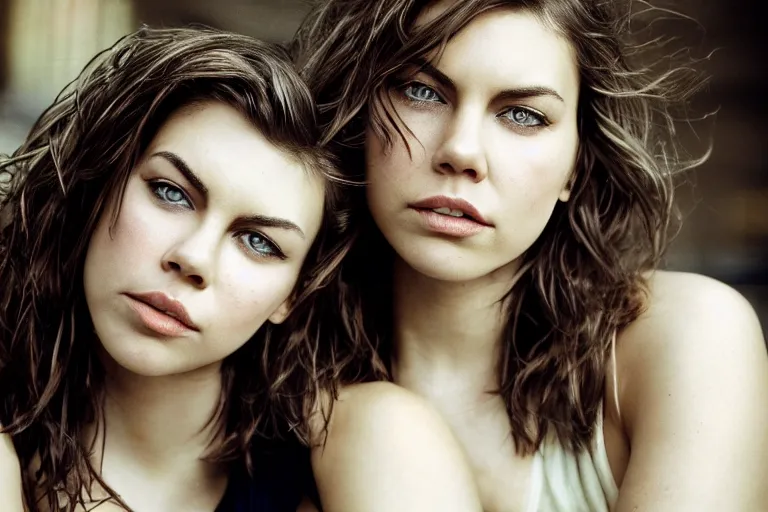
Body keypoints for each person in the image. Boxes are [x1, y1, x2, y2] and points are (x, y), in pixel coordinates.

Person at [292, 0, 768, 510]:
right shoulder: (276, 387)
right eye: (422, 91)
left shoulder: (687, 336)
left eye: (523, 115)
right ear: (357, 118)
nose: (462, 151)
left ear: (576, 165)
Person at [0, 26, 351, 512]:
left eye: (259, 242)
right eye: (171, 192)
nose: (193, 258)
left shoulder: (330, 479)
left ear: (294, 293)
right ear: (99, 188)